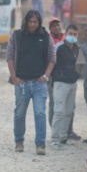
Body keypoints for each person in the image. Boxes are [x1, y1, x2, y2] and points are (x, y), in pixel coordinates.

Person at [6, 9, 55, 155]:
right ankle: (19, 141)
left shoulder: (45, 36)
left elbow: (52, 58)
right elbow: (9, 57)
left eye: (36, 22)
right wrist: (14, 77)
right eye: (31, 21)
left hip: (39, 83)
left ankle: (40, 144)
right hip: (21, 83)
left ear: (39, 23)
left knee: (40, 113)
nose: (33, 24)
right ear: (26, 21)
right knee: (19, 113)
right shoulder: (17, 36)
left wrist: (46, 76)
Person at [49, 24, 81, 147]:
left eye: (75, 34)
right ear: (66, 33)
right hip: (60, 83)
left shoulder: (76, 48)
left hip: (72, 83)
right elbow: (51, 63)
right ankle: (55, 137)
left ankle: (63, 137)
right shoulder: (58, 47)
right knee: (58, 111)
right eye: (70, 33)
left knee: (69, 111)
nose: (72, 36)